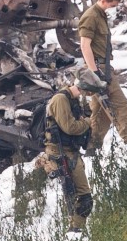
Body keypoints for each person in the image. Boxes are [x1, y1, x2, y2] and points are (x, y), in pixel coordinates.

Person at [78, 0, 127, 156]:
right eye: (112, 5)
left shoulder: (100, 15)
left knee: (100, 113)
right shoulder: (91, 16)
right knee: (122, 107)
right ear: (103, 0)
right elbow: (85, 46)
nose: (113, 9)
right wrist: (96, 73)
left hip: (103, 68)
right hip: (98, 70)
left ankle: (92, 150)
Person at [43, 68, 104, 231]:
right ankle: (75, 232)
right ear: (84, 89)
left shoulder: (73, 99)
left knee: (81, 198)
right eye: (90, 93)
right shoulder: (61, 100)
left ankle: (76, 230)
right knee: (82, 199)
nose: (90, 97)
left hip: (71, 151)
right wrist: (87, 122)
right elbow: (70, 127)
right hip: (60, 153)